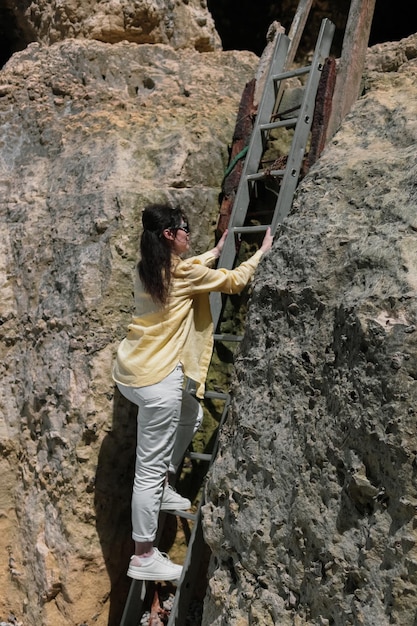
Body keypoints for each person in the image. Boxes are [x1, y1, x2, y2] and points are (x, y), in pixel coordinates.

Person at [112, 203, 273, 582]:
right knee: (147, 473)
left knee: (192, 415)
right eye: (184, 228)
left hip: (131, 371)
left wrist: (212, 254)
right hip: (158, 381)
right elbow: (234, 282)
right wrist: (262, 252)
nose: (189, 233)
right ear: (169, 235)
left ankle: (164, 486)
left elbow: (186, 271)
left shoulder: (148, 268)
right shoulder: (183, 272)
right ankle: (143, 554)